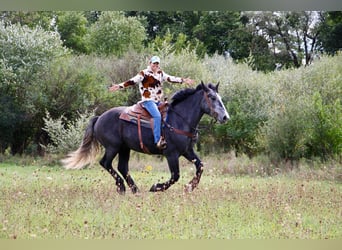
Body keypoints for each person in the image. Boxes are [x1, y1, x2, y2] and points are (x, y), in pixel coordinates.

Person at [109, 55, 194, 149]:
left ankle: (170, 138)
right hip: (148, 101)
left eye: (157, 63)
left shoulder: (160, 73)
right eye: (154, 63)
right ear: (150, 63)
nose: (156, 65)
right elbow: (132, 81)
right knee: (157, 116)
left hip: (158, 101)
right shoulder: (143, 73)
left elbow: (171, 78)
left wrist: (183, 80)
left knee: (169, 113)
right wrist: (120, 86)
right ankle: (157, 140)